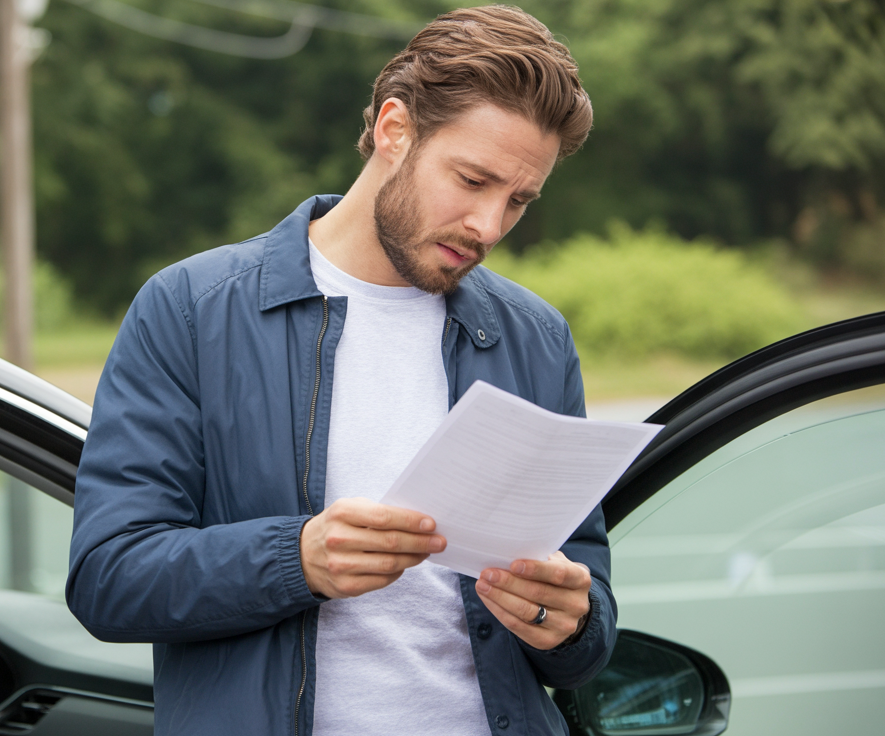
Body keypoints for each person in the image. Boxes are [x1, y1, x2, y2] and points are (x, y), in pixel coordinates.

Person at [67, 6, 616, 735]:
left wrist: (569, 622)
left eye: (518, 200)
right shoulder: (192, 310)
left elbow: (587, 630)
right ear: (395, 129)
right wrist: (297, 559)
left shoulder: (536, 338)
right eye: (472, 180)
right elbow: (108, 577)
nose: (488, 226)